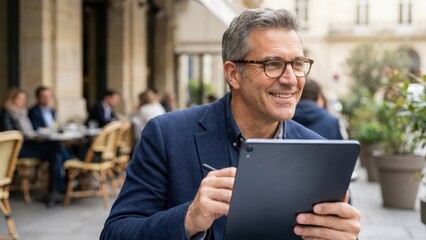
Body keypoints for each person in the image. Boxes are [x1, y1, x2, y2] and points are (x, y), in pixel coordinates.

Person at [101, 8, 360, 240]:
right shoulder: (167, 135)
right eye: (273, 64)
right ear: (234, 74)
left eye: (298, 64)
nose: (291, 79)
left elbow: (338, 229)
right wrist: (189, 219)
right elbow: (116, 232)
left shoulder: (321, 151)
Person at [0, 88, 68, 207]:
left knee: (55, 153)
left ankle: (55, 191)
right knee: (55, 148)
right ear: (13, 99)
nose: (23, 102)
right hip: (18, 149)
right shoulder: (8, 112)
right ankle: (63, 183)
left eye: (24, 99)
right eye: (20, 99)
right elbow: (11, 135)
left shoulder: (22, 112)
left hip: (28, 144)